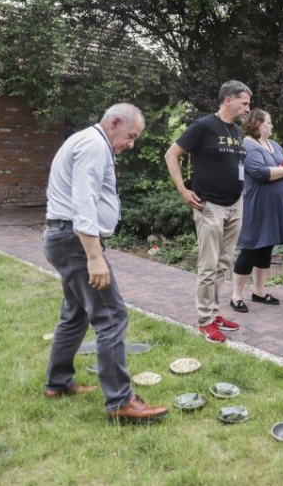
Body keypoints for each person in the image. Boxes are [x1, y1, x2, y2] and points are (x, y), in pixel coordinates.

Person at [43, 103, 169, 422]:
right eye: (131, 136)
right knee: (111, 316)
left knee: (74, 314)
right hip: (75, 241)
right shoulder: (94, 145)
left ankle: (57, 383)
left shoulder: (86, 141)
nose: (131, 144)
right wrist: (94, 255)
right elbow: (83, 200)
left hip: (63, 238)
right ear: (115, 122)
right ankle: (120, 401)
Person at [165, 80, 252, 343]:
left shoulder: (236, 131)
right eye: (244, 102)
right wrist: (183, 189)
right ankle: (204, 320)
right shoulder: (203, 126)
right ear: (228, 99)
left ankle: (214, 314)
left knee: (224, 264)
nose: (248, 108)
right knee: (208, 264)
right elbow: (171, 154)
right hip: (209, 205)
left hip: (234, 203)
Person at [229, 109, 283, 313]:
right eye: (269, 123)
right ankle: (236, 295)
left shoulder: (273, 145)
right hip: (257, 206)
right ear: (258, 124)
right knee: (250, 247)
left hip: (273, 209)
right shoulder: (248, 146)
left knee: (266, 247)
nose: (272, 126)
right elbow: (260, 172)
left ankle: (259, 292)